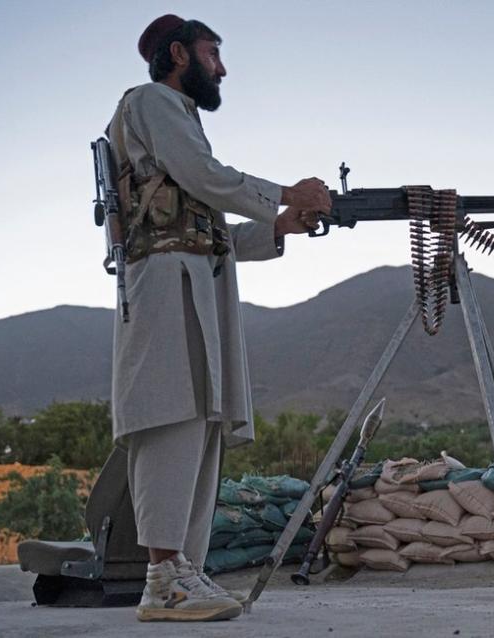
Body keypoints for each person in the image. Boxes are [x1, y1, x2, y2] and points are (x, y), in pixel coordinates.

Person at [106, 14, 331, 622]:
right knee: (168, 416)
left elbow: (208, 226)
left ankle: (184, 571)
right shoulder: (152, 100)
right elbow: (205, 178)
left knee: (201, 422)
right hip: (163, 284)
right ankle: (161, 579)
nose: (222, 69)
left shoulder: (177, 120)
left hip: (193, 281)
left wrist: (278, 226)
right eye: (213, 55)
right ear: (178, 54)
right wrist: (287, 193)